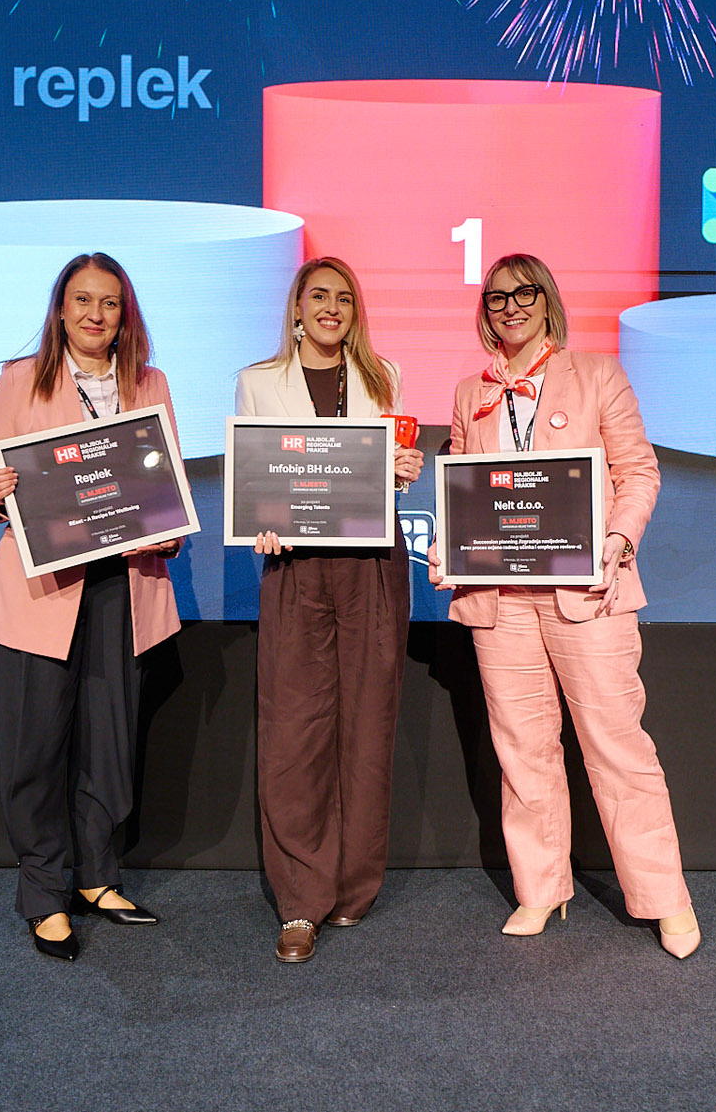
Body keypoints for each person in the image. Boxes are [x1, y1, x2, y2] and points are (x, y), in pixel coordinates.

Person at [429, 253, 698, 960]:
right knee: (522, 748)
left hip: (589, 590)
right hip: (500, 600)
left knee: (616, 745)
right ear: (485, 313)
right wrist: (450, 548)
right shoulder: (470, 392)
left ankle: (664, 897)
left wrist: (618, 538)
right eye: (496, 298)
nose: (510, 307)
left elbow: (638, 471)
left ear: (548, 301)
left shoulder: (599, 375)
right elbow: (466, 488)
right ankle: (541, 887)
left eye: (524, 293)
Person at [0, 253, 183, 963]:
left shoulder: (150, 383)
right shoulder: (19, 379)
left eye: (110, 303)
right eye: (83, 300)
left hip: (124, 584)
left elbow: (166, 490)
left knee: (109, 743)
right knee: (34, 746)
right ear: (60, 308)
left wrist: (168, 527)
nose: (96, 314)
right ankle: (42, 893)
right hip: (42, 589)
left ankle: (96, 876)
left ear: (125, 316)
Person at [235, 257, 424, 963]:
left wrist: (404, 473)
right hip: (295, 566)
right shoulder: (258, 380)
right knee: (295, 730)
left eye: (345, 298)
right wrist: (259, 518)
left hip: (372, 561)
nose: (332, 308)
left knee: (368, 724)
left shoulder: (384, 376)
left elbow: (385, 475)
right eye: (319, 295)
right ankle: (299, 900)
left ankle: (351, 886)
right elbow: (257, 477)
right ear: (296, 307)